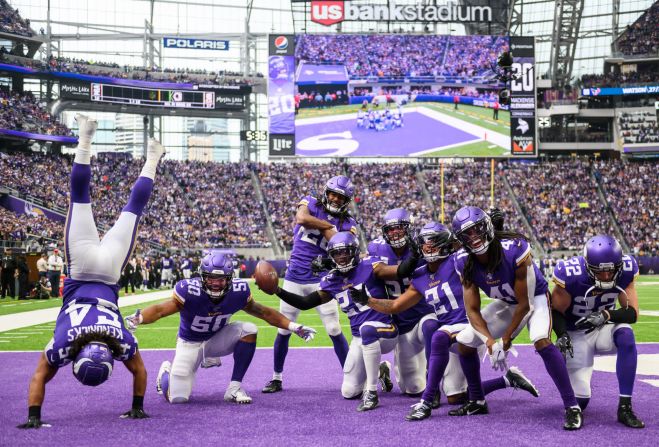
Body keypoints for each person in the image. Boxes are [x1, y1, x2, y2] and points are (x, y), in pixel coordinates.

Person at [17, 114, 164, 429]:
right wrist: (33, 417)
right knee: (80, 200)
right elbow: (41, 375)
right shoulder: (63, 344)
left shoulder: (121, 342)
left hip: (109, 271)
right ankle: (86, 135)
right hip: (82, 268)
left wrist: (138, 407)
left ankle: (153, 155)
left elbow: (139, 371)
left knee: (131, 211)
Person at [358, 222, 538, 421]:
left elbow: (483, 251)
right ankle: (507, 380)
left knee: (438, 337)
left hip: (469, 327)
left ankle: (426, 401)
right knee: (455, 397)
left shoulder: (458, 261)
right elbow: (394, 306)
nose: (428, 247)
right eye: (424, 242)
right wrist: (368, 300)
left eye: (433, 242)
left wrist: (497, 230)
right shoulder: (419, 276)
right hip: (450, 330)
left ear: (446, 243)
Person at [449, 206, 583, 430]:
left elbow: (526, 304)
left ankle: (572, 406)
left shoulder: (515, 248)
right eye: (467, 235)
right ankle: (477, 400)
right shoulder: (463, 260)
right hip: (506, 302)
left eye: (477, 230)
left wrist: (506, 340)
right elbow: (472, 309)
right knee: (464, 343)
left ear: (488, 227)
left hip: (534, 298)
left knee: (541, 339)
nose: (474, 238)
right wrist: (490, 342)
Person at [125, 251, 316, 405]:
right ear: (202, 277)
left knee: (249, 329)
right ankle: (165, 372)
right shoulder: (189, 291)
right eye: (210, 279)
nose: (216, 284)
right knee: (178, 399)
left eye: (221, 279)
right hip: (190, 343)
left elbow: (264, 313)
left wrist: (293, 326)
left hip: (217, 339)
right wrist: (140, 317)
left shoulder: (238, 292)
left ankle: (234, 388)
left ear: (229, 279)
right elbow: (159, 310)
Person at [266, 232, 397, 412]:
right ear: (331, 257)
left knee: (367, 329)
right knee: (349, 391)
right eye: (337, 253)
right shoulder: (332, 281)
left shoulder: (371, 266)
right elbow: (305, 303)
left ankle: (371, 392)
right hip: (360, 338)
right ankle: (381, 369)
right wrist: (277, 290)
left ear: (355, 252)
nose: (342, 257)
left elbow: (400, 272)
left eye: (346, 252)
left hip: (385, 330)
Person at [262, 175, 355, 394]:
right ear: (325, 192)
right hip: (294, 276)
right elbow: (302, 219)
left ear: (346, 201)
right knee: (284, 330)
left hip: (322, 279)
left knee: (333, 328)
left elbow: (338, 243)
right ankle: (276, 377)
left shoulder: (349, 223)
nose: (334, 199)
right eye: (332, 194)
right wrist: (328, 225)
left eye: (340, 197)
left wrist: (327, 228)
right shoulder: (311, 202)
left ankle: (349, 376)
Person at [551, 235, 644, 428]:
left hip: (603, 329)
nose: (607, 276)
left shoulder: (626, 268)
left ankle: (625, 407)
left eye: (611, 270)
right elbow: (556, 311)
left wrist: (606, 315)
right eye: (600, 272)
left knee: (626, 335)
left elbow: (632, 313)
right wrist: (562, 335)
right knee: (580, 401)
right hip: (576, 332)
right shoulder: (570, 273)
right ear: (587, 266)